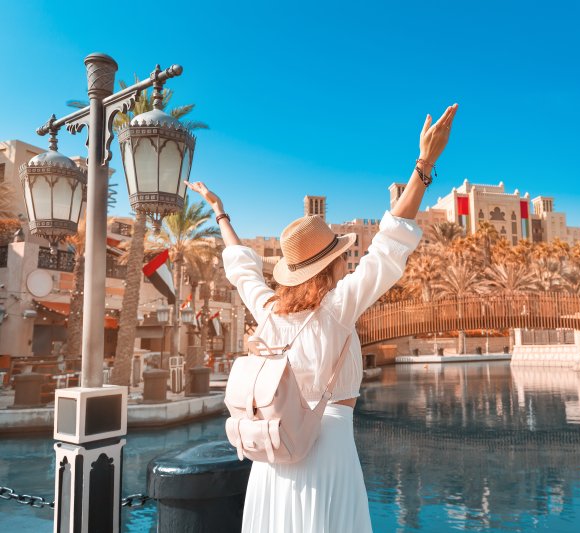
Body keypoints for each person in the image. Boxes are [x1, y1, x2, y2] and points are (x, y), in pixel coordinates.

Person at [185, 103, 458, 533]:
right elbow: (389, 246)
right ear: (330, 266)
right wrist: (424, 165)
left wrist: (220, 212)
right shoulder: (337, 309)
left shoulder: (270, 311)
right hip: (325, 452)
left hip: (274, 456)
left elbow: (241, 270)